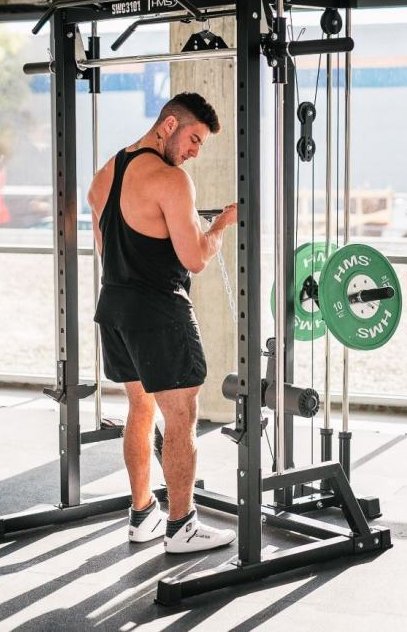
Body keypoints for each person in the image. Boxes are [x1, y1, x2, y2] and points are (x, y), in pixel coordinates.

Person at [87, 92, 237, 554]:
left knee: (140, 409)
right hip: (159, 313)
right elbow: (195, 259)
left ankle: (141, 515)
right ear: (169, 125)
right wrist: (221, 226)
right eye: (194, 139)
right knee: (181, 415)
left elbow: (105, 248)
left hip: (114, 309)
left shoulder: (105, 174)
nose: (194, 152)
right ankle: (182, 525)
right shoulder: (172, 181)